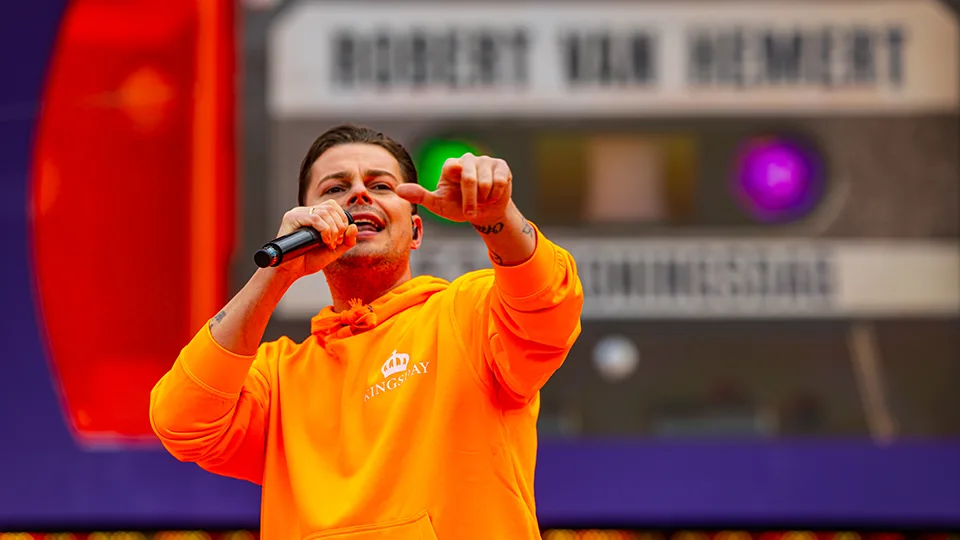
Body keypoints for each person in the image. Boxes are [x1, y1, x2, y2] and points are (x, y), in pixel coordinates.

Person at [149, 124, 584, 539]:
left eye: (380, 186)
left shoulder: (468, 315)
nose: (358, 192)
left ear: (415, 230)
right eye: (335, 189)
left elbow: (550, 308)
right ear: (303, 223)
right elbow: (182, 421)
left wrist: (499, 219)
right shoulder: (277, 379)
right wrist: (276, 274)